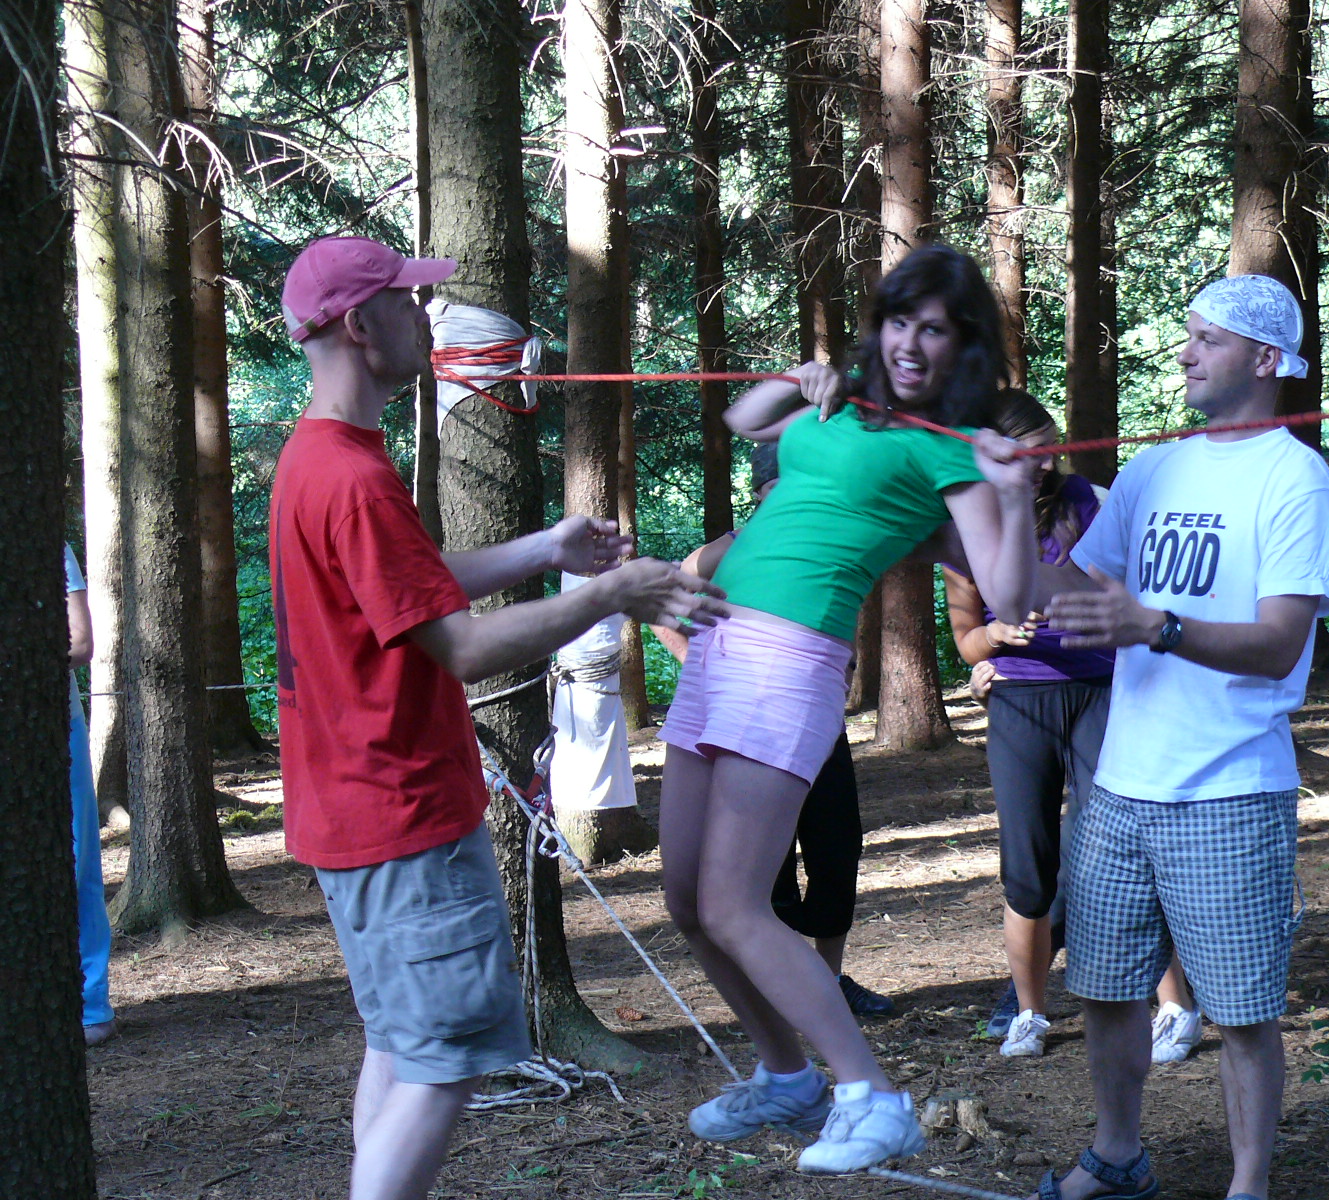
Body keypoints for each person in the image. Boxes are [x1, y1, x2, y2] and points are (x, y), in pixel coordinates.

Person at [270, 235, 728, 1200]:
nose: (424, 314)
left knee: (403, 1048)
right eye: (406, 300)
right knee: (442, 1066)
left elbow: (407, 585)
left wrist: (546, 550)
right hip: (400, 818)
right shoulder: (351, 478)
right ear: (359, 325)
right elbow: (463, 648)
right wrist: (610, 595)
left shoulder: (321, 459)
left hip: (353, 813)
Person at [658, 244, 1039, 1175]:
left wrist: (1015, 492)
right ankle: (786, 1076)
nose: (910, 343)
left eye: (934, 330)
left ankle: (874, 1098)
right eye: (900, 321)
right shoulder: (846, 404)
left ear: (964, 347)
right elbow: (743, 418)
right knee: (687, 900)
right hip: (716, 650)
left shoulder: (951, 449)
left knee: (734, 903)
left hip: (788, 661)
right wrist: (804, 376)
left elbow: (1009, 593)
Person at [1034, 274, 1329, 1200]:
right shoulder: (1153, 468)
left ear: (1265, 358)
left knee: (1242, 1011)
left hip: (1231, 788)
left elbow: (1280, 642)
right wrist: (989, 511)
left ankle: (1248, 1188)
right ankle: (1117, 1157)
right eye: (1188, 335)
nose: (1184, 353)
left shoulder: (1296, 480)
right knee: (1106, 989)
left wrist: (1158, 626)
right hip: (1121, 784)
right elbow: (1076, 595)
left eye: (1207, 339)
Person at [653, 443, 896, 1018]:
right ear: (759, 493)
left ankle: (830, 978)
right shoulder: (727, 549)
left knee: (836, 845)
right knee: (765, 867)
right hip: (742, 726)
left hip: (813, 719)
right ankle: (778, 984)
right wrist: (700, 664)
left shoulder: (829, 539)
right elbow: (665, 603)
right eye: (781, 489)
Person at [942, 391, 1114, 1058]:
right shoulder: (967, 524)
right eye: (1026, 454)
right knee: (1027, 865)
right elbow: (967, 640)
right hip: (1019, 697)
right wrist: (995, 637)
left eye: (1049, 448)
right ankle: (1028, 1010)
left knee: (1106, 842)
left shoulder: (1089, 502)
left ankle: (1165, 1002)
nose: (1043, 464)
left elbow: (1119, 593)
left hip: (1098, 689)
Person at [65, 542, 116, 1047]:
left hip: (52, 726)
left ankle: (90, 1000)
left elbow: (80, 643)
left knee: (78, 859)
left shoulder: (46, 547)